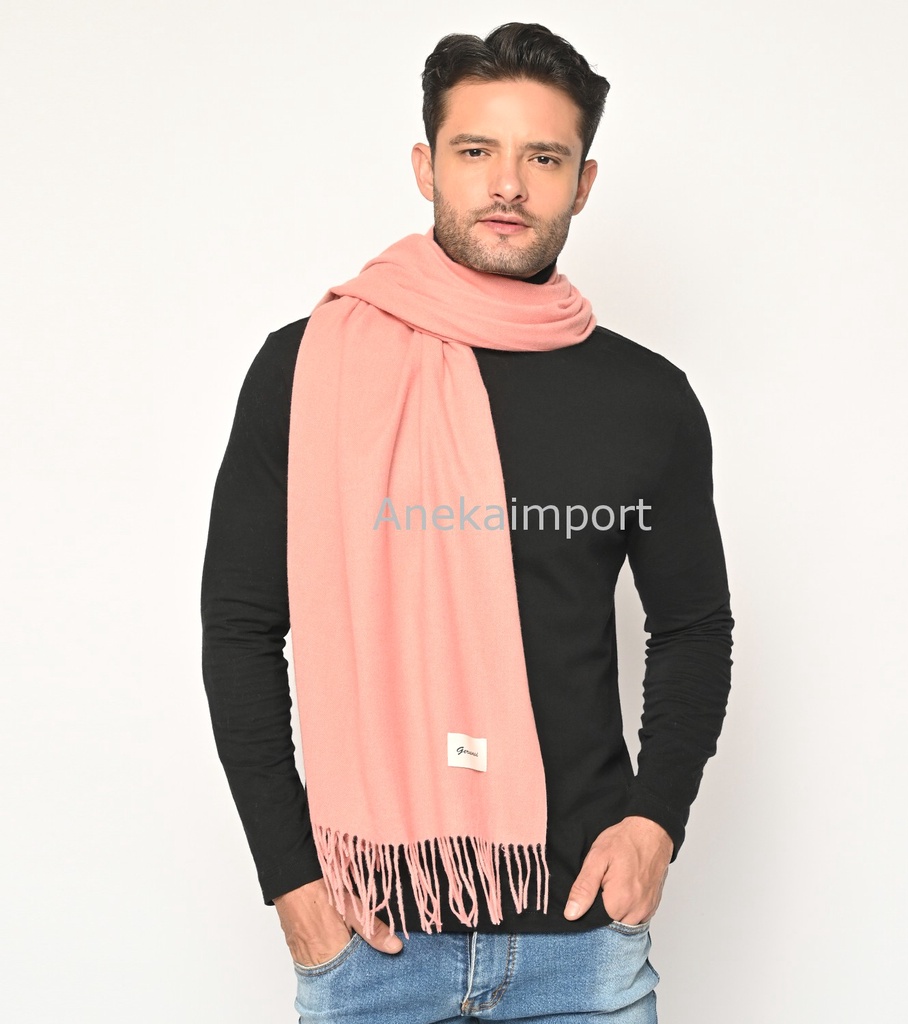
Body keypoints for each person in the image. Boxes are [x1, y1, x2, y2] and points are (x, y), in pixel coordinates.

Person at [201, 21, 733, 1024]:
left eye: (544, 158)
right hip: (371, 943)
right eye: (476, 150)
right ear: (426, 166)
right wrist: (292, 883)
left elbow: (694, 626)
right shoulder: (306, 369)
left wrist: (655, 823)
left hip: (581, 945)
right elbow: (240, 628)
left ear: (582, 183)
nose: (507, 185)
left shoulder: (644, 398)